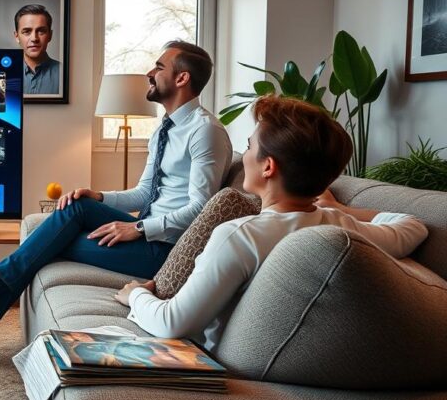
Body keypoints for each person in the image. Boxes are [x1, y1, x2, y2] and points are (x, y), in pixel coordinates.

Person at [0, 40, 233, 361]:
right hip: (150, 232)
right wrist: (98, 195)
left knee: (51, 245)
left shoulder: (204, 132)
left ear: (182, 79)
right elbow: (143, 192)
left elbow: (201, 208)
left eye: (159, 67)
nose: (149, 73)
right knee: (76, 206)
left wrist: (138, 227)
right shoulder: (163, 130)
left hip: (164, 251)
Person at [114, 95, 428, 351]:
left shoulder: (240, 236)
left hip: (226, 367)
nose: (245, 154)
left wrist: (136, 295)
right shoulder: (340, 227)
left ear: (268, 166)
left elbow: (173, 323)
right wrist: (335, 206)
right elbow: (413, 226)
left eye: (249, 147)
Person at [14, 4, 60, 95]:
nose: (34, 38)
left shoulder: (65, 74)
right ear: (17, 36)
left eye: (41, 31)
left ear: (50, 35)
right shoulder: (3, 74)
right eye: (27, 31)